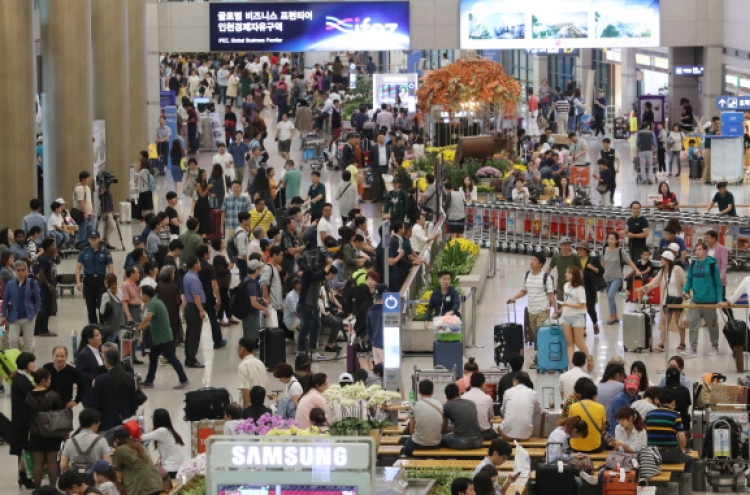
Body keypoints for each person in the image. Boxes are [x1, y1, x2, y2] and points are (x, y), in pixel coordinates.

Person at [508, 253, 557, 366]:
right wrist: (514, 297)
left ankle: (539, 360)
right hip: (531, 310)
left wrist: (555, 310)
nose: (531, 262)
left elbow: (551, 295)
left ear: (540, 264)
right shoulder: (527, 275)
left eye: (534, 260)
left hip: (543, 310)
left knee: (540, 335)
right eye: (532, 259)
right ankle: (541, 357)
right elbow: (523, 291)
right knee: (535, 336)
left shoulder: (546, 277)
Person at [137, 286, 189, 389]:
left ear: (145, 296)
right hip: (160, 337)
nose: (140, 297)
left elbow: (148, 318)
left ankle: (184, 379)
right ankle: (149, 380)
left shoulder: (152, 303)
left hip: (162, 338)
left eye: (141, 294)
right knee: (153, 358)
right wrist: (141, 327)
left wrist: (138, 328)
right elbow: (150, 322)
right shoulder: (157, 301)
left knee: (172, 358)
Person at [26, 368, 67, 489]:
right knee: (52, 461)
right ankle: (52, 488)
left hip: (35, 432)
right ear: (43, 380)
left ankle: (37, 489)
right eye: (49, 379)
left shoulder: (29, 396)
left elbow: (27, 415)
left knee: (38, 462)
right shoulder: (52, 395)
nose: (50, 381)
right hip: (52, 431)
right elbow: (60, 412)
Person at [681, 241, 723, 356]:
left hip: (709, 301)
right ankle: (692, 348)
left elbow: (718, 284)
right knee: (693, 324)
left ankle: (715, 346)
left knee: (712, 325)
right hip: (696, 300)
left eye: (699, 249)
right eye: (696, 250)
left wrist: (719, 300)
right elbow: (689, 279)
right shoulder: (693, 264)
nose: (697, 252)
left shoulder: (712, 265)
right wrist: (684, 290)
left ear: (705, 251)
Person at [640, 251, 687, 351]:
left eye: (663, 259)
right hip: (667, 299)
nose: (661, 261)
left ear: (668, 260)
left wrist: (686, 293)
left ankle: (682, 342)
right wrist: (646, 287)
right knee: (665, 321)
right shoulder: (662, 272)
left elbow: (684, 283)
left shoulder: (678, 270)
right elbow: (655, 281)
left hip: (678, 299)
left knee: (679, 322)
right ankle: (662, 343)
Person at [645, 388, 694, 473]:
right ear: (673, 402)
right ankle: (686, 485)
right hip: (669, 454)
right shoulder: (675, 415)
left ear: (658, 401)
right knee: (690, 461)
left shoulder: (648, 415)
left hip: (652, 454)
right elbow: (682, 438)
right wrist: (681, 448)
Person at [554, 266, 593, 372]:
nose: (566, 274)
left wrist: (569, 305)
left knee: (579, 342)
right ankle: (571, 365)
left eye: (568, 272)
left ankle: (589, 358)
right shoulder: (566, 285)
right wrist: (559, 311)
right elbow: (566, 302)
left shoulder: (580, 289)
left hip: (577, 317)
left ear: (574, 276)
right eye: (566, 272)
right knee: (570, 342)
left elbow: (582, 305)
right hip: (566, 317)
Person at [93, 348, 139, 431]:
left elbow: (96, 404)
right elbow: (134, 401)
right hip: (126, 421)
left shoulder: (100, 379)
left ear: (106, 361)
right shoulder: (130, 377)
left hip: (106, 423)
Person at [111, 426, 165, 495]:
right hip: (156, 482)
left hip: (142, 488)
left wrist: (114, 453)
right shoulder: (138, 445)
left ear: (117, 440)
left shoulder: (121, 450)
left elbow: (117, 465)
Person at [75, 231, 114, 324]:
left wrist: (110, 282)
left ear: (99, 239)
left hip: (101, 281)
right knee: (90, 305)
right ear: (89, 239)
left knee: (102, 304)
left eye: (95, 238)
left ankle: (103, 326)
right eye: (91, 238)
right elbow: (78, 267)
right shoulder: (84, 252)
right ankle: (93, 326)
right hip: (88, 280)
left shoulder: (105, 252)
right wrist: (78, 281)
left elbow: (110, 267)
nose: (93, 240)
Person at [3, 260, 42, 352]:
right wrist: (4, 313)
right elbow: (5, 300)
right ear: (15, 271)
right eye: (18, 270)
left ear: (26, 270)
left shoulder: (33, 283)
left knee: (28, 342)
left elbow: (38, 298)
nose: (20, 272)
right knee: (13, 340)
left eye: (23, 270)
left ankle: (26, 362)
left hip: (29, 316)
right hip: (14, 317)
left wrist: (36, 311)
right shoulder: (10, 284)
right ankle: (15, 361)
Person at [60, 408, 111, 475]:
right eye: (98, 423)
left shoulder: (70, 441)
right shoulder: (101, 440)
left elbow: (63, 465)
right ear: (94, 424)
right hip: (94, 481)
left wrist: (73, 472)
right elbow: (108, 463)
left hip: (75, 481)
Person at [601, 233, 637, 325]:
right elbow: (603, 263)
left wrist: (636, 270)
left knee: (610, 296)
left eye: (612, 239)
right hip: (606, 277)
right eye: (609, 238)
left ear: (617, 240)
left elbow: (629, 261)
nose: (610, 240)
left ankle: (611, 315)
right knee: (610, 298)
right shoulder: (604, 250)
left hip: (617, 277)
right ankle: (616, 316)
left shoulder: (620, 251)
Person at [402, 379, 443, 456]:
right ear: (432, 391)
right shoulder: (440, 405)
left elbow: (411, 431)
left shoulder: (414, 406)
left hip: (418, 444)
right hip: (436, 444)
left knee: (407, 445)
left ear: (418, 391)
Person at [140, 409, 185, 478]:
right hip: (177, 467)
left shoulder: (162, 431)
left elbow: (141, 437)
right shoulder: (169, 431)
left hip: (170, 468)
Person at [498, 372, 541, 441]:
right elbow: (538, 412)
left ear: (516, 381)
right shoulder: (533, 393)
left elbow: (503, 412)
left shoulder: (508, 392)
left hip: (507, 435)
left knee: (499, 428)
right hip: (526, 435)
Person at [568, 379, 606, 453]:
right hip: (595, 448)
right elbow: (602, 428)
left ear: (581, 394)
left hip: (575, 447)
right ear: (594, 396)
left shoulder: (573, 407)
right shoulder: (601, 407)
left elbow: (570, 427)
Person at [442, 382, 484, 449]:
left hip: (462, 442)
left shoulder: (446, 407)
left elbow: (443, 429)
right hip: (479, 441)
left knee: (441, 437)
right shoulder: (471, 403)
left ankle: (442, 458)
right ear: (459, 393)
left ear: (446, 397)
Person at [463, 372, 498, 440]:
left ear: (470, 383)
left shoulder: (463, 397)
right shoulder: (487, 398)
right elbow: (491, 417)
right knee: (495, 434)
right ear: (483, 384)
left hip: (467, 434)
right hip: (484, 434)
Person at [237, 337, 268, 409]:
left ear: (243, 348)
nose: (237, 350)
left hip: (250, 408)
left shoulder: (243, 366)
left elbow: (245, 390)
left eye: (238, 347)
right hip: (262, 406)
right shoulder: (260, 363)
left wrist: (246, 411)